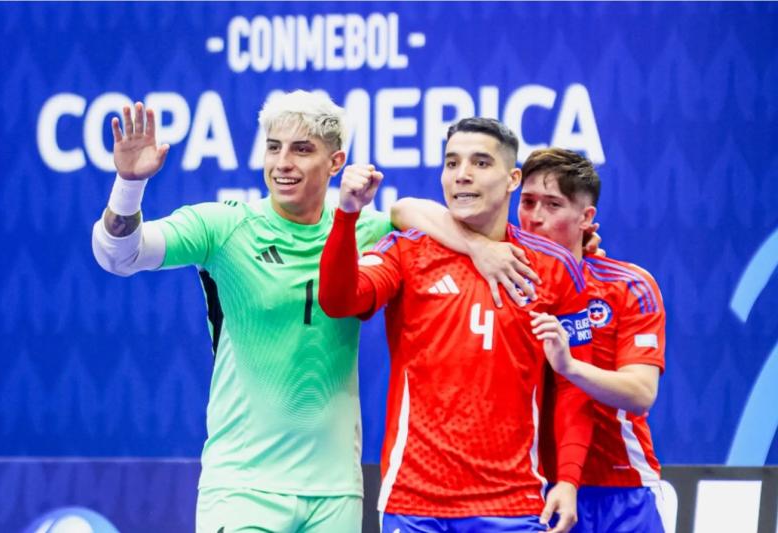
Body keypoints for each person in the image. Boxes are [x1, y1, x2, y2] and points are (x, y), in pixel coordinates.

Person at [91, 90, 395, 533]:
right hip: (242, 486)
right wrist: (129, 185)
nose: (282, 163)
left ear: (336, 162)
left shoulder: (367, 228)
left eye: (302, 149)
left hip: (335, 492)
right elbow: (118, 256)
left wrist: (478, 250)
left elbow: (423, 220)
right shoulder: (225, 226)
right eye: (273, 147)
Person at [318, 118, 594, 533]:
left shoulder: (556, 269)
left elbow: (574, 385)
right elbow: (339, 301)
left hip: (515, 504)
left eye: (481, 163)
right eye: (452, 163)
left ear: (512, 179)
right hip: (414, 502)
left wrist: (569, 478)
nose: (462, 174)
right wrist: (346, 215)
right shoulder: (406, 250)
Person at [394, 147, 666, 532]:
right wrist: (477, 245)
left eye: (552, 205)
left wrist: (570, 367)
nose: (535, 217)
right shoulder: (499, 268)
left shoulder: (628, 286)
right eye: (529, 202)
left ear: (587, 219)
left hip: (621, 488)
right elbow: (404, 210)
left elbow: (640, 393)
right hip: (530, 489)